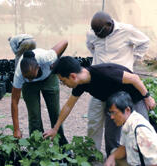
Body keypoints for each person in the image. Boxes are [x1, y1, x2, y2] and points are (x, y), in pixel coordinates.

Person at [43, 56, 156, 156]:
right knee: (111, 138)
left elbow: (134, 78)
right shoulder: (80, 83)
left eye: (63, 81)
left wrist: (147, 97)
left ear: (72, 76)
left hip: (134, 97)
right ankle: (113, 161)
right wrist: (55, 128)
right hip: (114, 104)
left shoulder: (104, 72)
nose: (64, 84)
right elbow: (68, 106)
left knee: (143, 133)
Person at [86, 11, 150, 151]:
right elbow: (91, 47)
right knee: (94, 119)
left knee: (116, 119)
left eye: (100, 32)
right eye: (95, 32)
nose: (96, 35)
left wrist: (132, 59)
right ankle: (92, 152)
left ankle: (123, 153)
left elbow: (145, 42)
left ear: (109, 25)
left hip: (121, 83)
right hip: (99, 82)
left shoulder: (126, 31)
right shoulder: (92, 33)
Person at [11, 40, 68, 145]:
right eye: (27, 78)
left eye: (32, 77)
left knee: (55, 112)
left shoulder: (46, 58)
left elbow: (64, 42)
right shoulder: (19, 75)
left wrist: (56, 61)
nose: (31, 80)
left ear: (38, 67)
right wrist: (16, 129)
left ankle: (61, 143)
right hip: (29, 88)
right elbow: (14, 101)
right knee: (34, 116)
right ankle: (37, 146)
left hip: (49, 78)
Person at [104, 91, 157, 166]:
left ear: (127, 110)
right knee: (114, 153)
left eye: (114, 112)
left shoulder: (140, 131)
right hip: (136, 162)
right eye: (110, 113)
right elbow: (123, 148)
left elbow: (155, 162)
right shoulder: (128, 123)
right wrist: (111, 157)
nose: (111, 117)